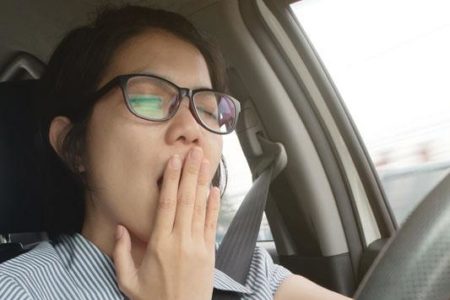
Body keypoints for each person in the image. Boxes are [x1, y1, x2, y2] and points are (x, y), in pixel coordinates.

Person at [0, 5, 351, 300]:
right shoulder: (17, 289)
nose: (193, 128)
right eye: (148, 100)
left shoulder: (248, 271)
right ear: (74, 146)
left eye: (210, 110)